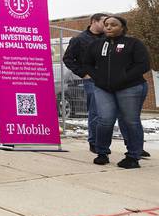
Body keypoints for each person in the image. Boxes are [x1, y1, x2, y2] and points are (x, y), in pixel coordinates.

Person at [82, 15, 150, 169]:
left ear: (122, 28)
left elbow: (143, 65)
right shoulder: (97, 45)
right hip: (103, 88)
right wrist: (98, 78)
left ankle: (133, 156)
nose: (109, 27)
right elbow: (87, 63)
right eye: (106, 24)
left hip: (130, 87)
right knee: (104, 120)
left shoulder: (133, 43)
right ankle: (102, 153)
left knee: (130, 121)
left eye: (114, 24)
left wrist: (123, 77)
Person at [63, 13, 107, 153]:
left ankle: (131, 144)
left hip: (112, 80)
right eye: (104, 22)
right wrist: (83, 74)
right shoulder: (79, 39)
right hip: (92, 81)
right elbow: (68, 59)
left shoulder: (109, 38)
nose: (107, 25)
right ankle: (94, 142)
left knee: (117, 112)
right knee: (95, 111)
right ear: (94, 22)